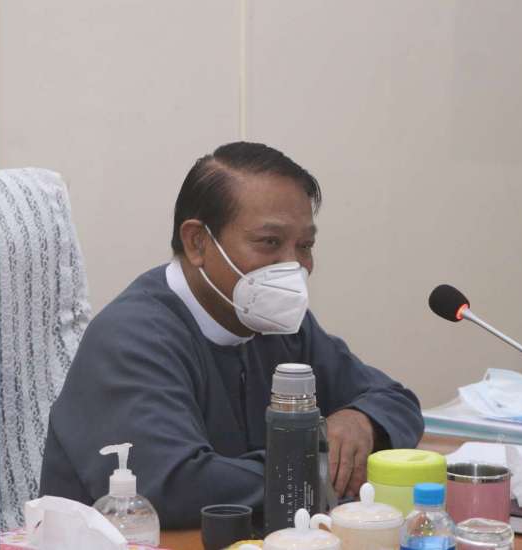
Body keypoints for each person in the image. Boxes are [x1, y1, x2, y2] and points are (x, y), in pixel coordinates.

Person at [40, 142, 424, 528]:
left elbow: (396, 402)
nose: (294, 266)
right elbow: (174, 487)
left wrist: (361, 421)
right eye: (269, 242)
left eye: (305, 246)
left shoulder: (276, 322)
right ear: (197, 243)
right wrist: (319, 462)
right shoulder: (131, 337)